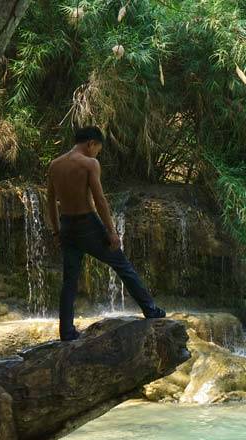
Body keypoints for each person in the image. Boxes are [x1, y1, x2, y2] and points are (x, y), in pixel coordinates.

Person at [46, 126, 164, 341]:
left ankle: (66, 332)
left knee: (69, 281)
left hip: (66, 226)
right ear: (91, 143)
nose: (97, 153)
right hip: (87, 224)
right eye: (97, 149)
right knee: (122, 265)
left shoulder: (55, 165)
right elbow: (100, 200)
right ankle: (150, 310)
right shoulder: (89, 163)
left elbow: (50, 203)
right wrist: (111, 231)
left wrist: (56, 232)